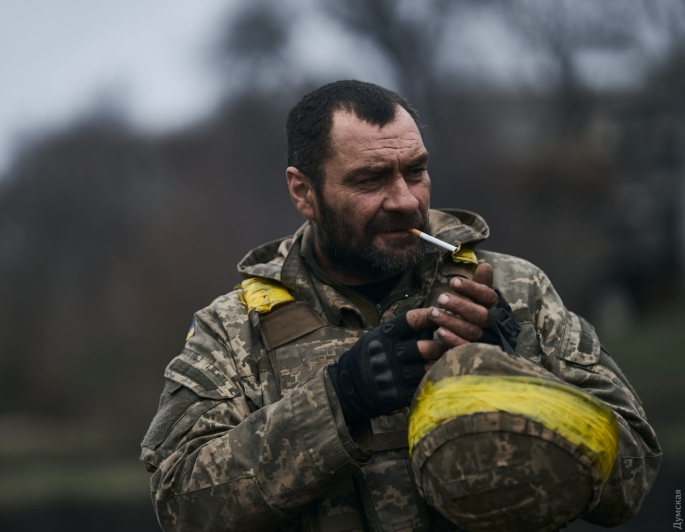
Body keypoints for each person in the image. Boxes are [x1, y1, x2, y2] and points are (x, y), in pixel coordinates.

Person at [139, 80, 660, 531]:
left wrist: (517, 370)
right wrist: (340, 400)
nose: (406, 200)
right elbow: (182, 506)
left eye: (415, 171)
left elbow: (633, 475)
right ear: (304, 192)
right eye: (371, 179)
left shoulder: (515, 289)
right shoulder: (235, 330)